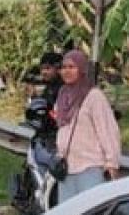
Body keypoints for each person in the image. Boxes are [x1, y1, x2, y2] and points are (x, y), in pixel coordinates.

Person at [52, 49, 121, 202]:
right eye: (64, 67)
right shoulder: (63, 96)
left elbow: (107, 130)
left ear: (82, 69)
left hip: (90, 168)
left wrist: (112, 163)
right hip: (66, 169)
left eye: (72, 67)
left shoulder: (93, 96)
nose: (66, 71)